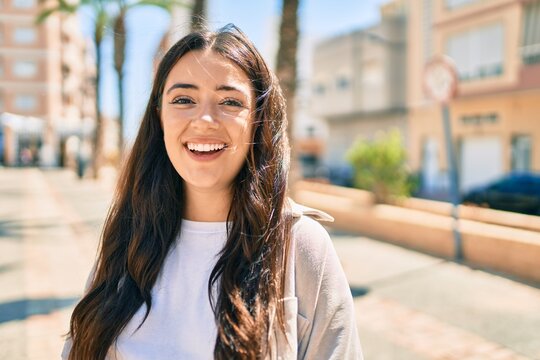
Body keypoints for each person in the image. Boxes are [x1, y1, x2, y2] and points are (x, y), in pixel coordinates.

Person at [62, 24, 362, 360]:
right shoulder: (128, 233)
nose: (204, 119)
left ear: (258, 121)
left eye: (230, 101)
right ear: (159, 117)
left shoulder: (300, 245)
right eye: (184, 99)